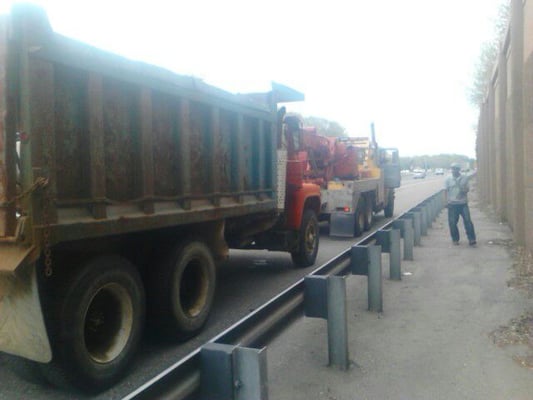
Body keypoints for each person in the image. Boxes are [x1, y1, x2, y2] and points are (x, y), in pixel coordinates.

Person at [445, 163, 476, 246]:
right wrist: (445, 202)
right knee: (452, 223)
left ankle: (472, 239)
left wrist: (463, 190)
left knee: (468, 221)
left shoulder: (464, 178)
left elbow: (467, 189)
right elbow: (445, 191)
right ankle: (455, 239)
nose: (453, 170)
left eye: (455, 169)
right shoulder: (448, 179)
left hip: (463, 203)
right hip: (452, 204)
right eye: (452, 169)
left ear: (459, 170)